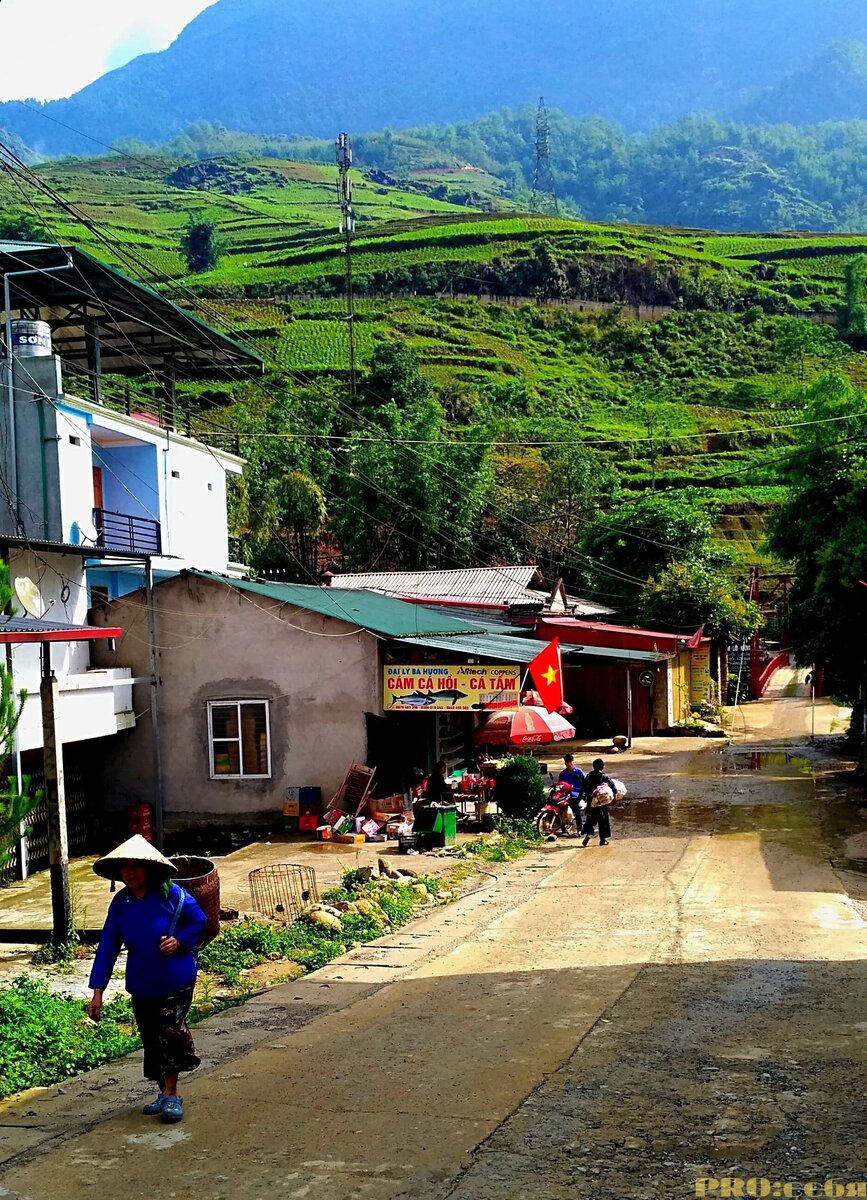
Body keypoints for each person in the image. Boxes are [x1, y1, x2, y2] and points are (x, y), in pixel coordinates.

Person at [86, 835, 207, 1124]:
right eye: (125, 868)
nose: (130, 873)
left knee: (169, 1032)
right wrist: (97, 991)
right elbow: (108, 946)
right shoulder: (121, 903)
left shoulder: (172, 895)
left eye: (136, 866)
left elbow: (199, 921)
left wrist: (180, 941)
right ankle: (163, 1092)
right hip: (142, 982)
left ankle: (172, 1094)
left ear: (149, 868)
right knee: (151, 1038)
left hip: (175, 980)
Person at [581, 758, 615, 847]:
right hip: (600, 803)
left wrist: (583, 797)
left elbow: (583, 786)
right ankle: (602, 840)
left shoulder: (588, 776)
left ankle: (588, 834)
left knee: (590, 821)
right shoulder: (603, 777)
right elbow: (612, 785)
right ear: (602, 767)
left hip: (590, 803)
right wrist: (614, 794)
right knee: (603, 821)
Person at [558, 754, 586, 831]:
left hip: (577, 795)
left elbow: (585, 783)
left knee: (576, 811)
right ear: (565, 763)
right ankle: (561, 826)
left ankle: (580, 829)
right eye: (567, 762)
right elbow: (560, 785)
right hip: (565, 795)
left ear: (573, 762)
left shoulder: (579, 772)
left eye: (570, 762)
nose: (569, 764)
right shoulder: (562, 774)